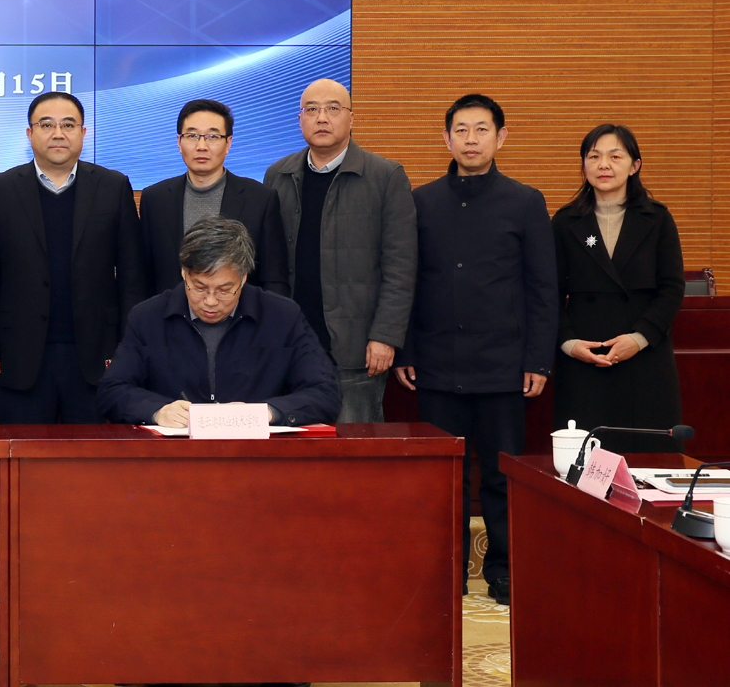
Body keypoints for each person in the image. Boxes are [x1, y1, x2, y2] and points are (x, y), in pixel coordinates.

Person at [394, 93, 557, 606]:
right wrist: (406, 350)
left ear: (500, 137)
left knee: (499, 475)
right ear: (446, 138)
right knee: (445, 477)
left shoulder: (525, 201)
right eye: (461, 130)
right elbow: (407, 282)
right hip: (436, 363)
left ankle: (503, 569)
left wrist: (537, 359)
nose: (471, 139)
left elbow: (543, 288)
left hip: (503, 365)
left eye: (481, 129)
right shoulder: (421, 201)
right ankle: (448, 568)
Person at [0, 91, 148, 424]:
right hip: (18, 355)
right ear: (30, 134)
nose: (58, 133)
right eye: (47, 125)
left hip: (97, 356)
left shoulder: (113, 186)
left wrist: (128, 349)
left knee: (93, 454)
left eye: (68, 125)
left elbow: (132, 277)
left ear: (83, 133)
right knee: (22, 453)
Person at [264, 78, 417, 424]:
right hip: (290, 343)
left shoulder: (385, 176)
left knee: (354, 447)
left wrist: (385, 336)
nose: (322, 118)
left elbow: (401, 267)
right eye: (312, 110)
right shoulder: (278, 175)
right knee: (292, 444)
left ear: (351, 118)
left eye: (333, 109)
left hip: (356, 347)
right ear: (299, 119)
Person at [97, 216, 341, 427]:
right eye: (199, 288)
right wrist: (157, 410)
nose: (211, 301)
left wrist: (267, 412)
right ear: (184, 273)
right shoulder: (148, 317)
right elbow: (111, 391)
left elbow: (325, 393)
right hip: (174, 455)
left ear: (243, 278)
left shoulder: (282, 316)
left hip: (255, 454)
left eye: (225, 290)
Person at [552, 124, 685, 454]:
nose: (604, 165)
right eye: (594, 156)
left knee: (649, 457)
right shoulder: (566, 221)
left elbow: (672, 288)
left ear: (634, 165)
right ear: (583, 164)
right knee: (586, 462)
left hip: (645, 357)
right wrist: (568, 343)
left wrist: (638, 339)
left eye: (615, 156)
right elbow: (548, 292)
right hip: (586, 357)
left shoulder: (657, 218)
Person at [139, 99, 290, 297]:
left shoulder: (260, 199)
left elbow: (274, 277)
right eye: (192, 136)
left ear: (228, 143)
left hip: (241, 314)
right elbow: (143, 276)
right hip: (170, 314)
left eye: (212, 136)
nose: (201, 146)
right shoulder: (154, 199)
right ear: (179, 142)